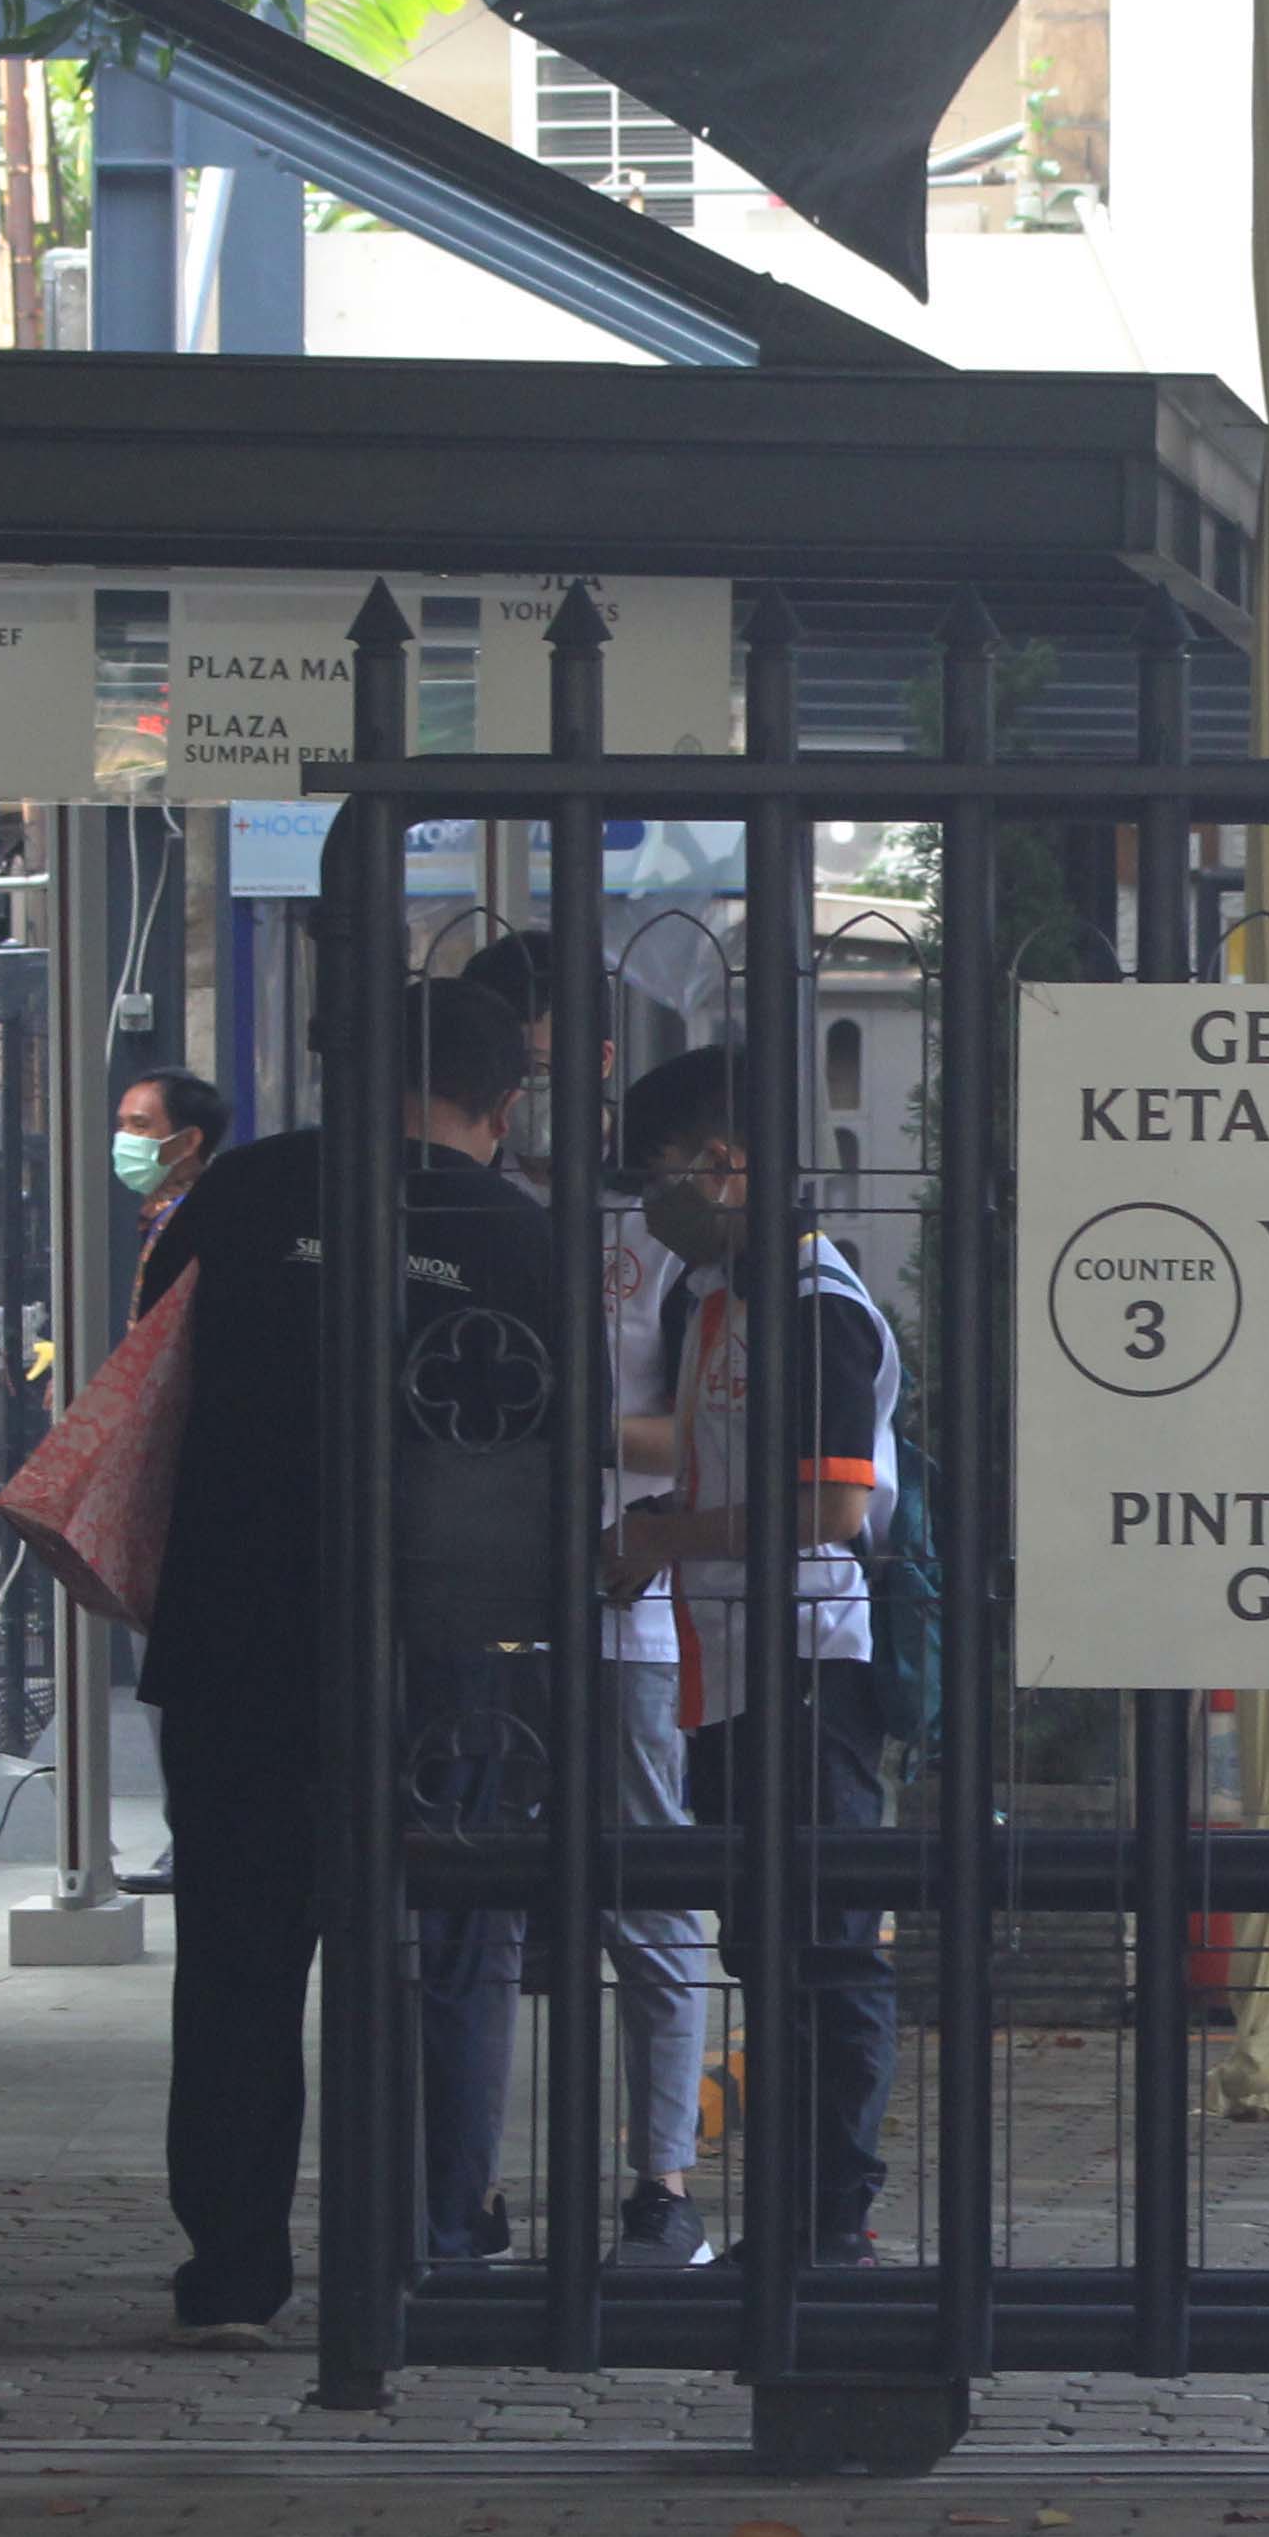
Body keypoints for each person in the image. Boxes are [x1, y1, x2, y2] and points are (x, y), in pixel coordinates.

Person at [140, 976, 563, 2339]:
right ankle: (425, 2248)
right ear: (504, 1102)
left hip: (230, 1630)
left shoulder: (236, 1197)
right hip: (435, 1642)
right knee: (442, 1941)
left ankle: (232, 2266)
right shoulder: (513, 1231)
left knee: (237, 1957)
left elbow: (151, 1373)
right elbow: (557, 1447)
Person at [610, 1044, 901, 2268]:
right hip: (721, 1654)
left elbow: (830, 1513)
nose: (656, 1199)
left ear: (727, 1166)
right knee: (758, 1940)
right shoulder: (716, 1298)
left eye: (665, 1172)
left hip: (803, 1658)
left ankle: (833, 2215)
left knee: (823, 1944)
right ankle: (794, 2205)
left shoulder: (821, 1309)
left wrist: (669, 1535)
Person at [460, 933, 716, 2267]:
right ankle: (465, 2186)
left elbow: (712, 1429)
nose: (538, 1089)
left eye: (558, 1060)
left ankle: (659, 2186)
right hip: (466, 1597)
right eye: (517, 1066)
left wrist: (580, 1436)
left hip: (625, 1596)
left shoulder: (663, 1233)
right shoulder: (446, 1209)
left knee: (649, 1882)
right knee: (469, 1891)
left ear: (608, 1063)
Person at [113, 1068, 223, 1260]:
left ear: (189, 1141)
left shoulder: (211, 1220)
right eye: (121, 1125)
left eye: (140, 1125)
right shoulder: (159, 1212)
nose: (123, 1138)